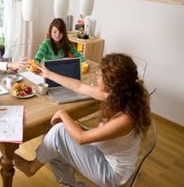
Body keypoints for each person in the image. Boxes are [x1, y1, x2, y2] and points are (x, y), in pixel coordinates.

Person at [14, 53, 151, 187]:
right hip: (103, 151)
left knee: (59, 132)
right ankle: (68, 183)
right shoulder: (118, 95)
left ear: (111, 84)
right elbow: (78, 86)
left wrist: (63, 114)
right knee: (55, 142)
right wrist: (48, 74)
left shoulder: (126, 119)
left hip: (112, 174)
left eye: (100, 75)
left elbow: (81, 138)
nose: (97, 75)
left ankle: (31, 167)